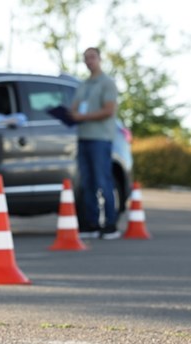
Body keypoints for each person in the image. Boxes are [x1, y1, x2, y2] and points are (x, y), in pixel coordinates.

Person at [69, 47, 121, 240]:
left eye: (92, 57)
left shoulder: (107, 83)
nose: (88, 61)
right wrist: (70, 115)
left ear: (99, 59)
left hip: (100, 139)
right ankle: (91, 224)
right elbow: (74, 108)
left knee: (102, 180)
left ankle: (110, 223)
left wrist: (84, 116)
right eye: (85, 58)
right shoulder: (83, 85)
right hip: (83, 138)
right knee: (87, 182)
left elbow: (108, 110)